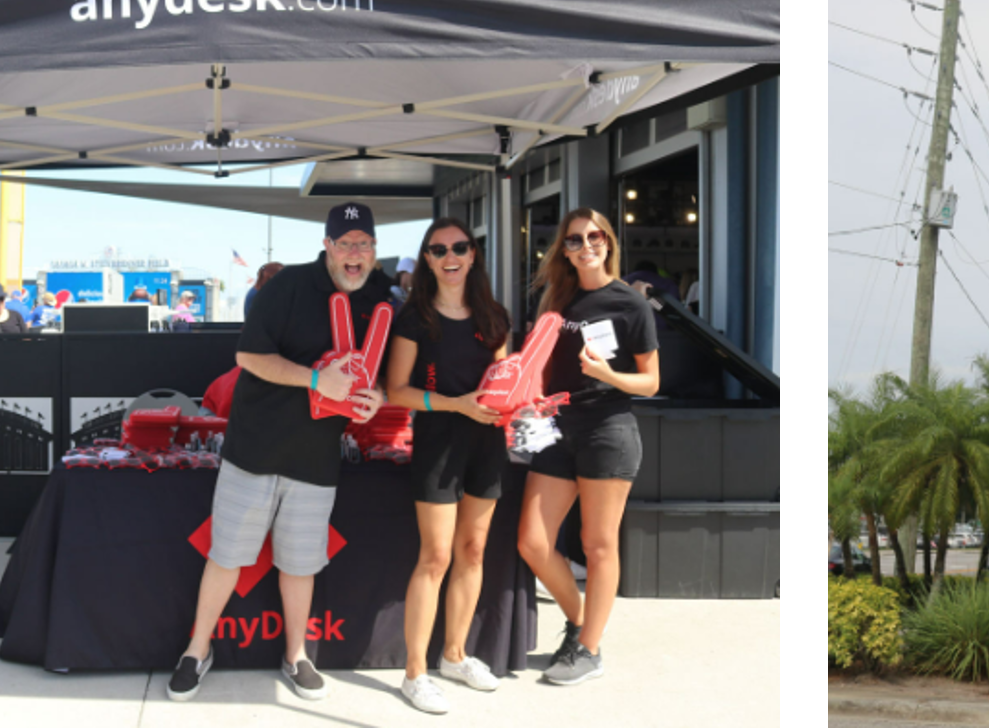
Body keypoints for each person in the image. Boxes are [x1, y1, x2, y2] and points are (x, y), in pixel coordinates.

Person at [168, 203, 392, 704]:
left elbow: (376, 377)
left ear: (374, 252)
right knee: (226, 554)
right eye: (346, 243)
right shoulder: (290, 285)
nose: (355, 254)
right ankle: (196, 650)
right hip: (256, 448)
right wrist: (316, 378)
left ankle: (297, 655)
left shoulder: (378, 299)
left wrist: (373, 397)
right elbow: (248, 355)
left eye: (364, 244)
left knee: (301, 563)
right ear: (328, 246)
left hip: (316, 457)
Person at [515, 208, 658, 686]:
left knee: (598, 546)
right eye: (574, 240)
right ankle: (581, 624)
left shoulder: (629, 305)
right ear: (564, 249)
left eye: (594, 236)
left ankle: (590, 649)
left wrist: (608, 375)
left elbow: (651, 382)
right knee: (533, 542)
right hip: (557, 427)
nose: (586, 245)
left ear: (609, 241)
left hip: (608, 428)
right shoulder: (557, 299)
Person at [382, 218, 511, 713]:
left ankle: (455, 655)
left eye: (459, 247)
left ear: (473, 254)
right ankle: (415, 673)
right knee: (435, 556)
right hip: (439, 441)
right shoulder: (415, 318)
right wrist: (457, 404)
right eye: (438, 250)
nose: (449, 256)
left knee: (473, 550)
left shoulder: (494, 316)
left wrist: (522, 403)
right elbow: (397, 390)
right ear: (428, 259)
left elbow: (508, 378)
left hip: (488, 443)